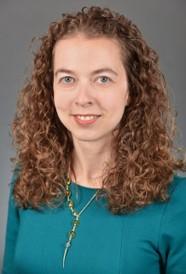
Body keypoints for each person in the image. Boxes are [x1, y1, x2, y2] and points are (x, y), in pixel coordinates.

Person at [2, 6, 186, 274]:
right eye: (67, 79)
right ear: (50, 89)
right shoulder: (27, 180)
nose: (83, 98)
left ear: (131, 91)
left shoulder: (176, 202)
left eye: (102, 79)